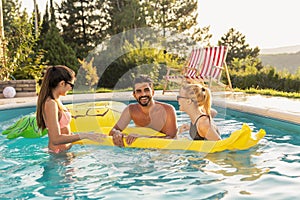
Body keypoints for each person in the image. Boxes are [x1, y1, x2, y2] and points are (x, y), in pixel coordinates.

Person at [36, 65, 104, 153]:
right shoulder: (51, 104)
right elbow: (55, 139)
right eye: (71, 84)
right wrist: (85, 135)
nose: (71, 88)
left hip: (64, 153)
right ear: (62, 84)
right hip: (58, 155)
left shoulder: (56, 101)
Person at [109, 75, 178, 147]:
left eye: (146, 90)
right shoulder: (131, 110)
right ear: (134, 95)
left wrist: (143, 137)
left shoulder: (168, 110)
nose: (143, 94)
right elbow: (113, 130)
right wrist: (117, 133)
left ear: (153, 92)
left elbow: (172, 138)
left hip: (164, 152)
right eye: (139, 91)